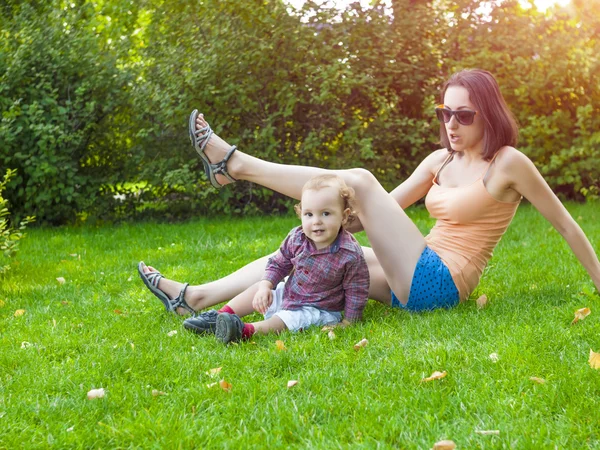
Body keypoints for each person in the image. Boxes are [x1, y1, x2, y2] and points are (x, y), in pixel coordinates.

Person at [138, 68, 600, 320]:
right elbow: (370, 212)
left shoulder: (508, 164)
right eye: (445, 113)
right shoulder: (438, 162)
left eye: (464, 115)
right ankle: (194, 298)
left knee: (357, 177)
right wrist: (331, 220)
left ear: (489, 115)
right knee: (306, 248)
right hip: (408, 276)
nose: (451, 125)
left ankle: (235, 165)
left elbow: (565, 223)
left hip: (441, 284)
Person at [177, 174, 369, 344]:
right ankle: (220, 316)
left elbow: (356, 289)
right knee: (260, 288)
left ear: (344, 216)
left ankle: (245, 330)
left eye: (326, 213)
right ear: (300, 213)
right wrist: (265, 286)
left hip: (319, 309)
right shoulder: (297, 237)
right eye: (309, 214)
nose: (316, 221)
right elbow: (279, 263)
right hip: (290, 293)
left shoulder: (349, 253)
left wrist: (349, 322)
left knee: (287, 320)